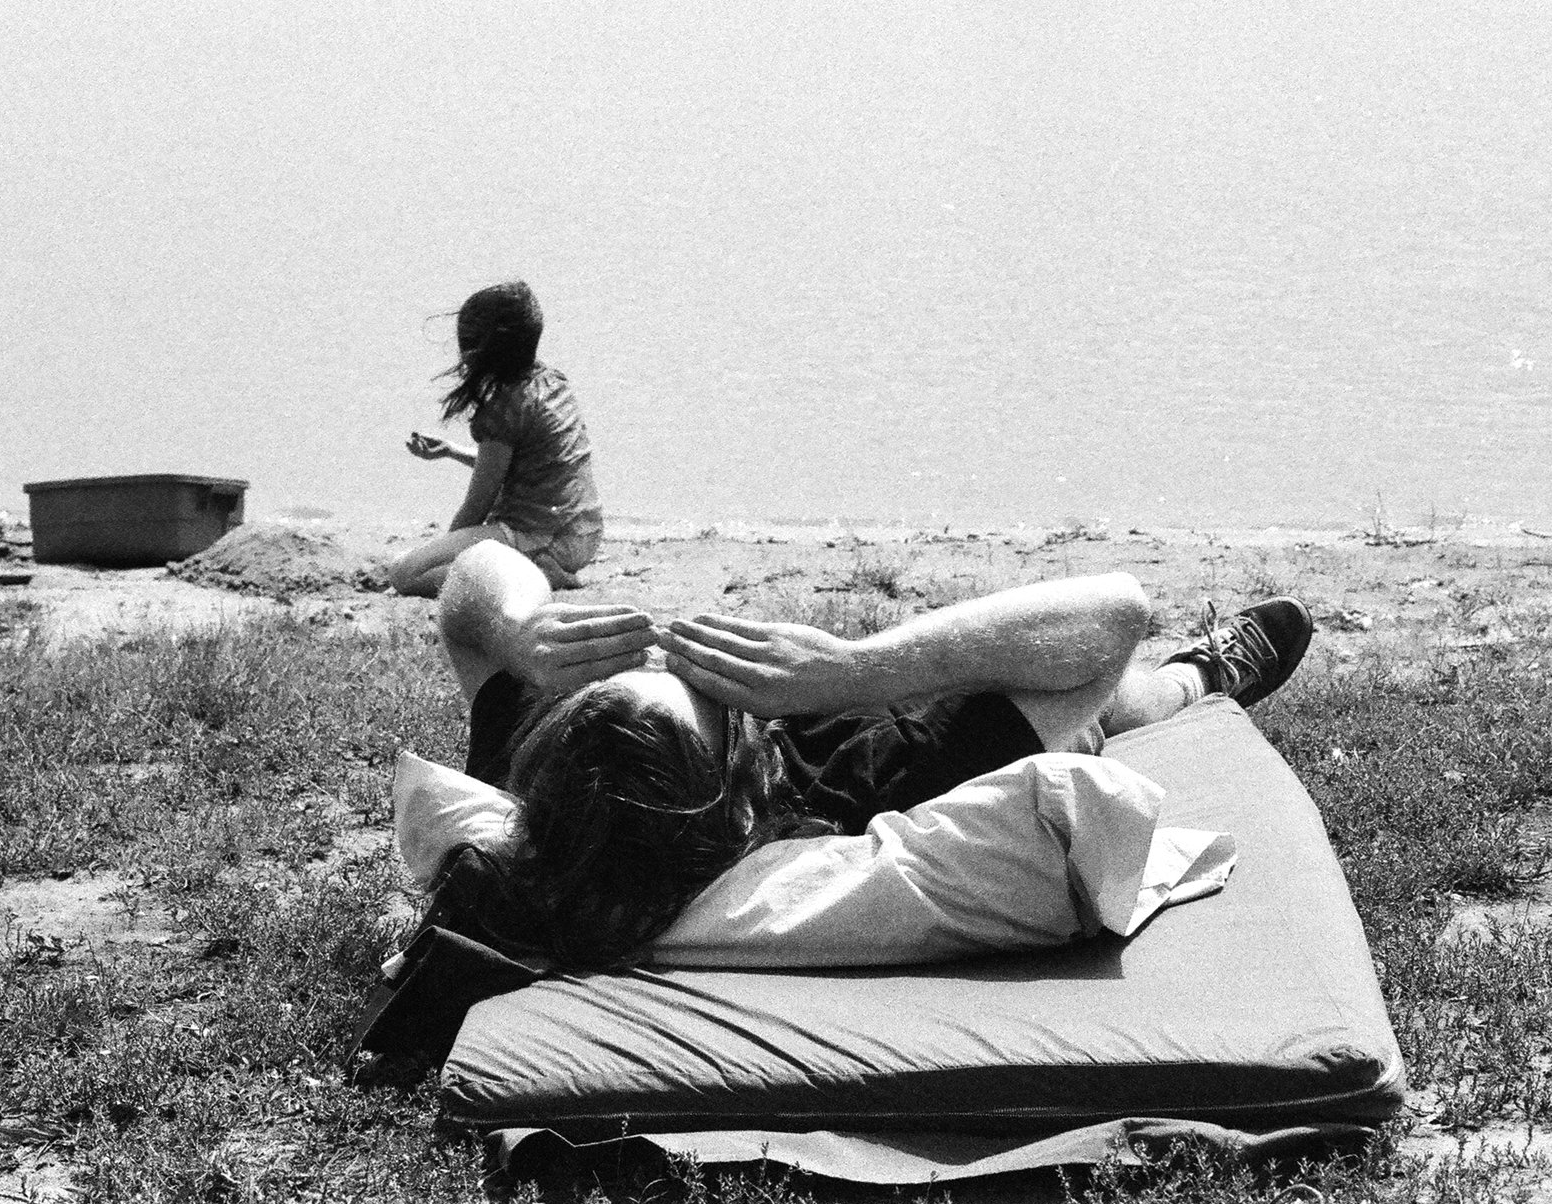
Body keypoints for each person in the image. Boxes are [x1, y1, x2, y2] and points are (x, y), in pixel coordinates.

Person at [422, 539, 1312, 968]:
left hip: (817, 708)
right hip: (946, 697)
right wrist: (854, 668)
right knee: (1117, 702)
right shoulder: (866, 777)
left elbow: (475, 577)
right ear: (740, 792)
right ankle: (1197, 681)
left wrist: (524, 630)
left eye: (624, 674)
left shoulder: (566, 775)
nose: (665, 658)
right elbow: (1113, 613)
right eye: (703, 692)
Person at [390, 281, 604, 598]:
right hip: (583, 535)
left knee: (405, 573)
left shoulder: (504, 410)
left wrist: (452, 551)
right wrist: (451, 452)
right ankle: (537, 569)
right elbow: (527, 467)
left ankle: (537, 575)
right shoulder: (552, 383)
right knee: (425, 565)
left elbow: (476, 507)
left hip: (541, 539)